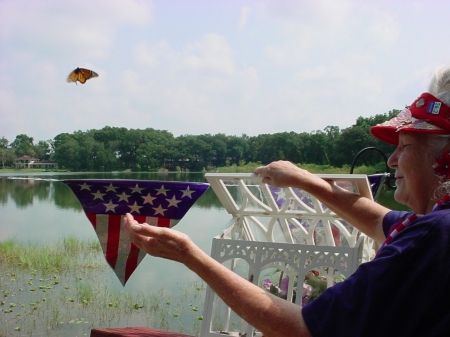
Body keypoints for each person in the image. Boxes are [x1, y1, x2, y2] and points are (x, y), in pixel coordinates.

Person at [124, 66, 450, 337]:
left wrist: (190, 256)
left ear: (445, 157)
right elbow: (379, 221)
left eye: (405, 146)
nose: (392, 161)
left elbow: (303, 329)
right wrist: (304, 179)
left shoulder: (434, 236)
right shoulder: (431, 229)